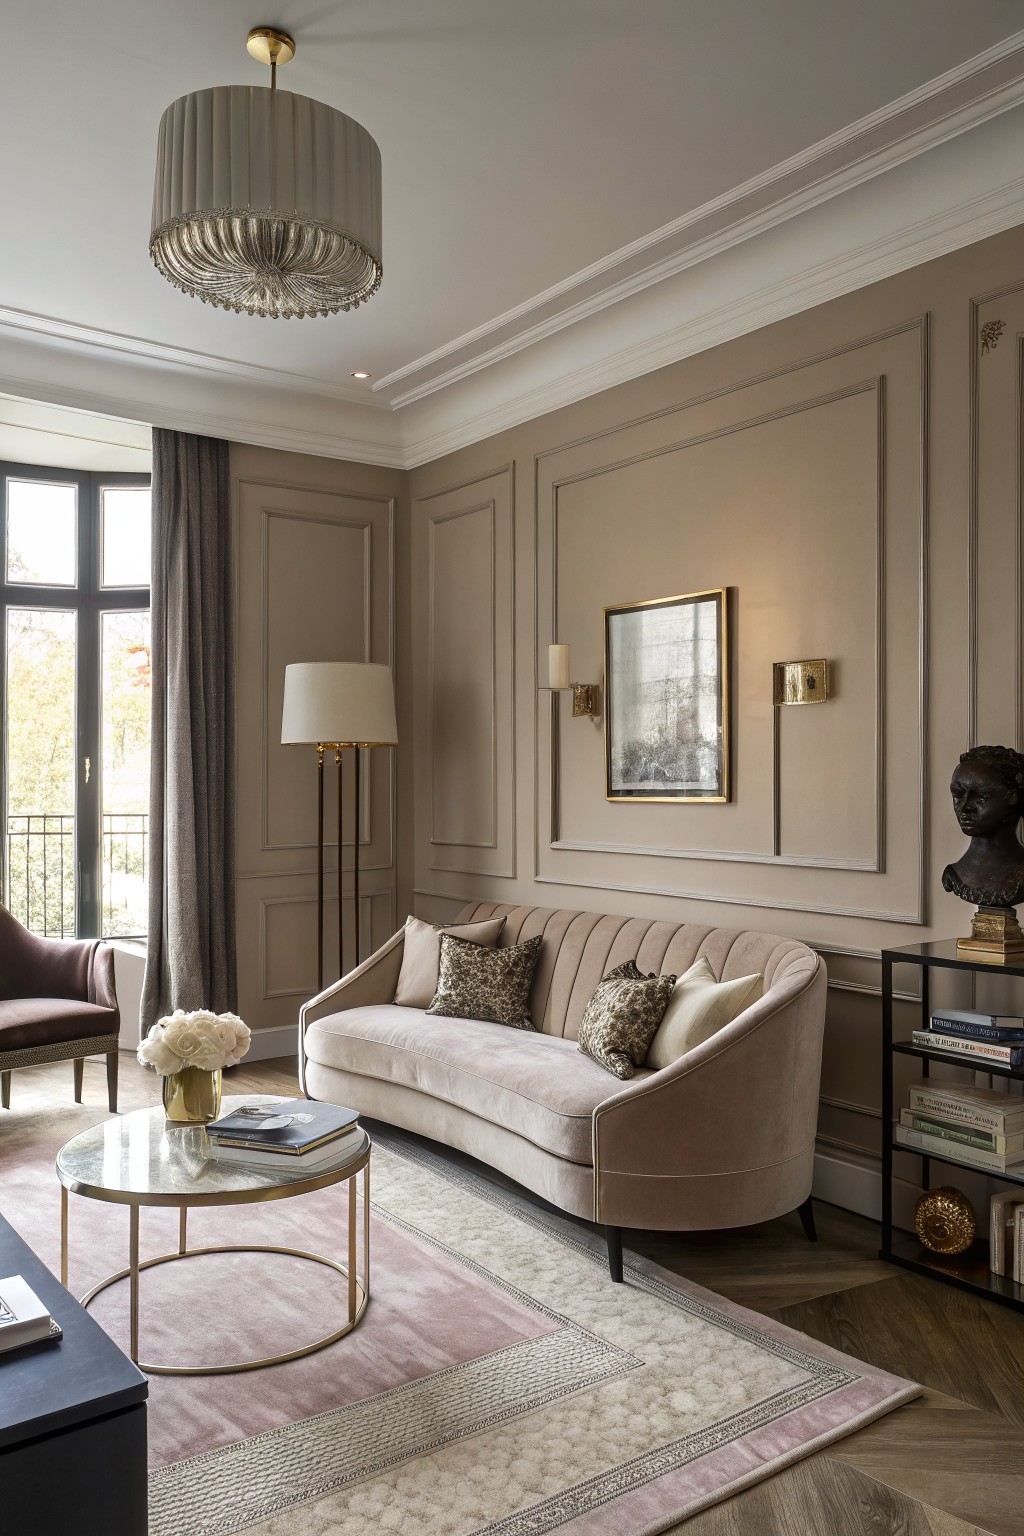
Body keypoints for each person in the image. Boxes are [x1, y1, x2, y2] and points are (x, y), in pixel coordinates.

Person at [942, 744, 1024, 910]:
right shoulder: (956, 874)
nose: (964, 807)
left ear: (1013, 797)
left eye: (981, 797)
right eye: (958, 795)